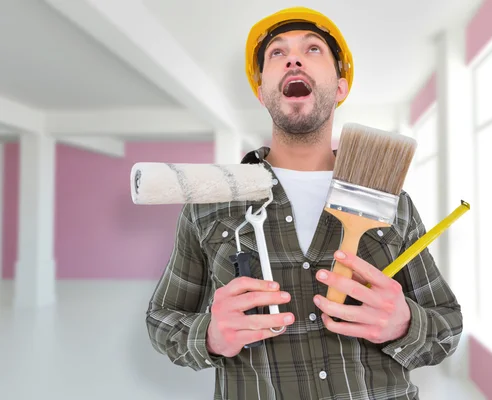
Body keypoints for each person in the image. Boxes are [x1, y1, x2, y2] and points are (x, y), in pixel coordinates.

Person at [145, 6, 463, 400]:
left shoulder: (392, 201)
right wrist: (208, 335)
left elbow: (447, 325)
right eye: (277, 53)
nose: (293, 58)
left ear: (341, 86)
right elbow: (161, 320)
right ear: (261, 91)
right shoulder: (213, 202)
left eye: (313, 49)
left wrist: (405, 324)